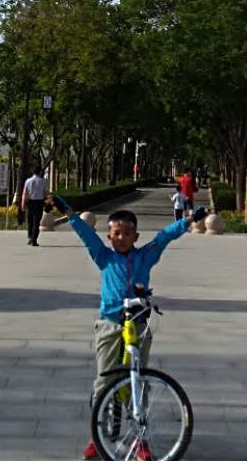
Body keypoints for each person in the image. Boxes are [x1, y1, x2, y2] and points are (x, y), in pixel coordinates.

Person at [56, 192, 206, 461]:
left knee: (139, 381)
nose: (120, 238)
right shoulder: (103, 256)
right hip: (110, 325)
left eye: (126, 233)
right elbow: (85, 234)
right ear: (109, 237)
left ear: (135, 237)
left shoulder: (145, 256)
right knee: (104, 381)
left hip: (138, 324)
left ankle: (141, 441)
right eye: (115, 233)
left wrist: (187, 221)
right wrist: (68, 212)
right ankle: (97, 436)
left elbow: (163, 237)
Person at [20, 166, 48, 246]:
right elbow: (45, 193)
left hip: (30, 203)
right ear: (39, 172)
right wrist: (48, 201)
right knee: (36, 222)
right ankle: (34, 240)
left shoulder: (28, 181)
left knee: (30, 221)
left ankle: (30, 237)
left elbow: (25, 193)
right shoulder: (43, 181)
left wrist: (23, 204)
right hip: (39, 203)